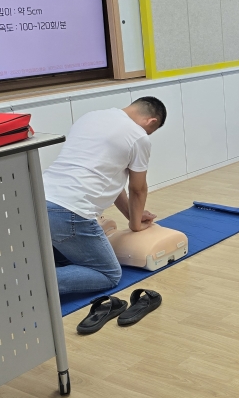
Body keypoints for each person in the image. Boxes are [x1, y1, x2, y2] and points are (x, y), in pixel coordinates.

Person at [42, 97, 167, 295]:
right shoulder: (138, 136)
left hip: (38, 199)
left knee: (67, 261)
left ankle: (32, 274)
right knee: (108, 274)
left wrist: (132, 215)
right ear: (151, 121)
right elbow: (138, 188)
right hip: (71, 211)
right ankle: (29, 284)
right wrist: (135, 225)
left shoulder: (90, 118)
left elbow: (112, 180)